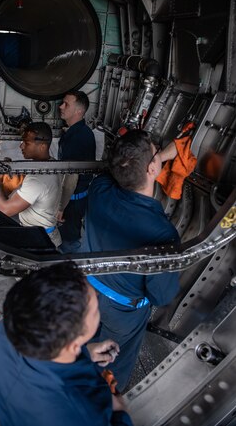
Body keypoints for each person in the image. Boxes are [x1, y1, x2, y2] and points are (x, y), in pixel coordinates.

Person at [81, 129, 181, 392]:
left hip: (86, 291)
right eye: (157, 153)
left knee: (84, 347)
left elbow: (113, 171)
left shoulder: (99, 189)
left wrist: (155, 158)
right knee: (111, 364)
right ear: (151, 169)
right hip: (123, 312)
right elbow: (162, 296)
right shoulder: (162, 233)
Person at [0, 263, 133, 426]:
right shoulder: (82, 416)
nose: (97, 293)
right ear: (72, 345)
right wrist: (119, 412)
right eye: (95, 309)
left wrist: (86, 351)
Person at [0, 122, 62, 247]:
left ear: (42, 146)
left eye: (26, 143)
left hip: (40, 241)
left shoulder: (38, 179)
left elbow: (4, 210)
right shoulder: (50, 164)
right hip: (44, 233)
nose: (21, 146)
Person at [57, 90, 96, 253]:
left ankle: (70, 268)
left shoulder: (78, 137)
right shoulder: (77, 132)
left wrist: (60, 208)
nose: (60, 106)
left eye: (66, 104)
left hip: (71, 201)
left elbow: (71, 178)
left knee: (68, 241)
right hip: (75, 199)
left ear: (79, 111)